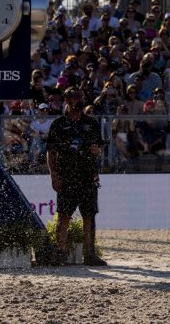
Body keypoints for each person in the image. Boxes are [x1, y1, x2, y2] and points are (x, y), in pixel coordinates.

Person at [46, 88, 107, 266]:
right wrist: (53, 175)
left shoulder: (91, 123)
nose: (77, 102)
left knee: (89, 216)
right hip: (66, 176)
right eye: (73, 98)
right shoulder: (58, 124)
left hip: (88, 176)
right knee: (64, 215)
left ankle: (90, 255)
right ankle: (60, 254)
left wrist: (97, 151)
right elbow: (50, 152)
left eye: (79, 98)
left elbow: (99, 147)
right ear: (66, 100)